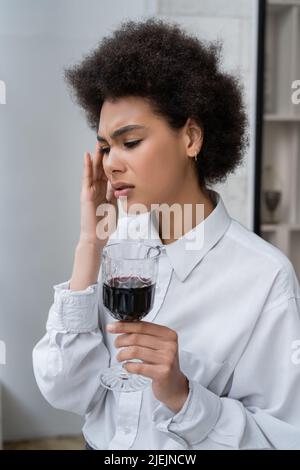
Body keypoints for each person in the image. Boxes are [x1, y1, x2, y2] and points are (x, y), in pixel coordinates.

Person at [32, 18, 300, 450]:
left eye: (130, 142)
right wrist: (89, 246)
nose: (110, 164)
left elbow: (284, 440)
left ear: (191, 137)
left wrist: (184, 396)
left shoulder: (264, 278)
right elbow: (67, 391)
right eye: (104, 146)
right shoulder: (114, 245)